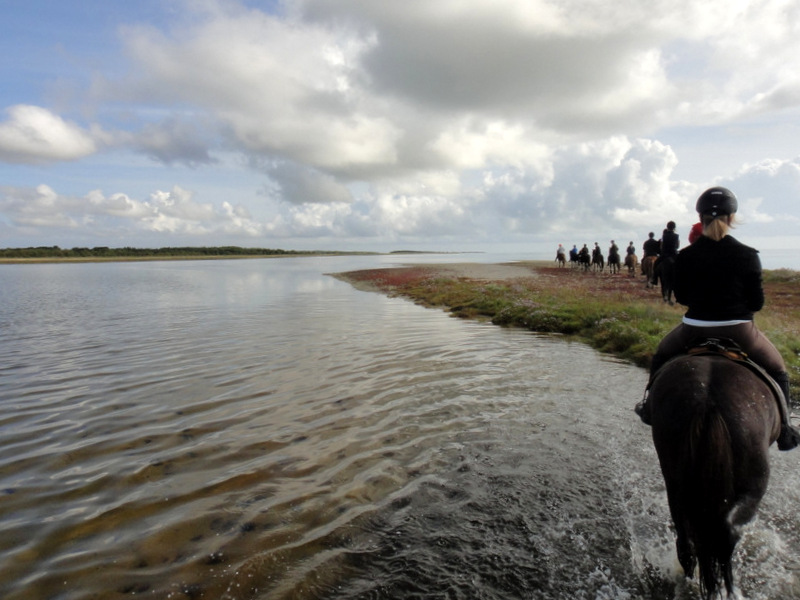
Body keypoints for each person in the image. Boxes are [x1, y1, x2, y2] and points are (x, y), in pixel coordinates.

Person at [635, 186, 800, 450]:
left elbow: (684, 298)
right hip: (740, 331)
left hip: (694, 329)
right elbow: (757, 302)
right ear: (732, 218)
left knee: (661, 355)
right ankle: (786, 432)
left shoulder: (685, 256)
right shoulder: (748, 255)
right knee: (779, 369)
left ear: (700, 219)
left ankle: (648, 408)